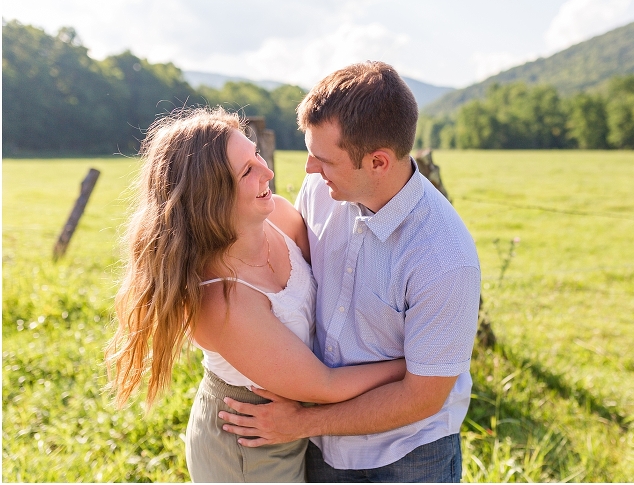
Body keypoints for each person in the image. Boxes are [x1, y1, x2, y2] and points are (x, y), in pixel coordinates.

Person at [105, 106, 406, 482]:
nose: (268, 172)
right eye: (247, 170)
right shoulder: (222, 300)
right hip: (247, 447)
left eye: (256, 154)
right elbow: (326, 385)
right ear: (211, 196)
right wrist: (415, 368)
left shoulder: (277, 215)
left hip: (291, 426)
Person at [219, 61, 481, 482]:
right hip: (320, 445)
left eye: (323, 159)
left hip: (408, 456)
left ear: (378, 162)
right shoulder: (322, 190)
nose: (308, 169)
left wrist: (301, 424)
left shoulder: (444, 259)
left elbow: (422, 398)